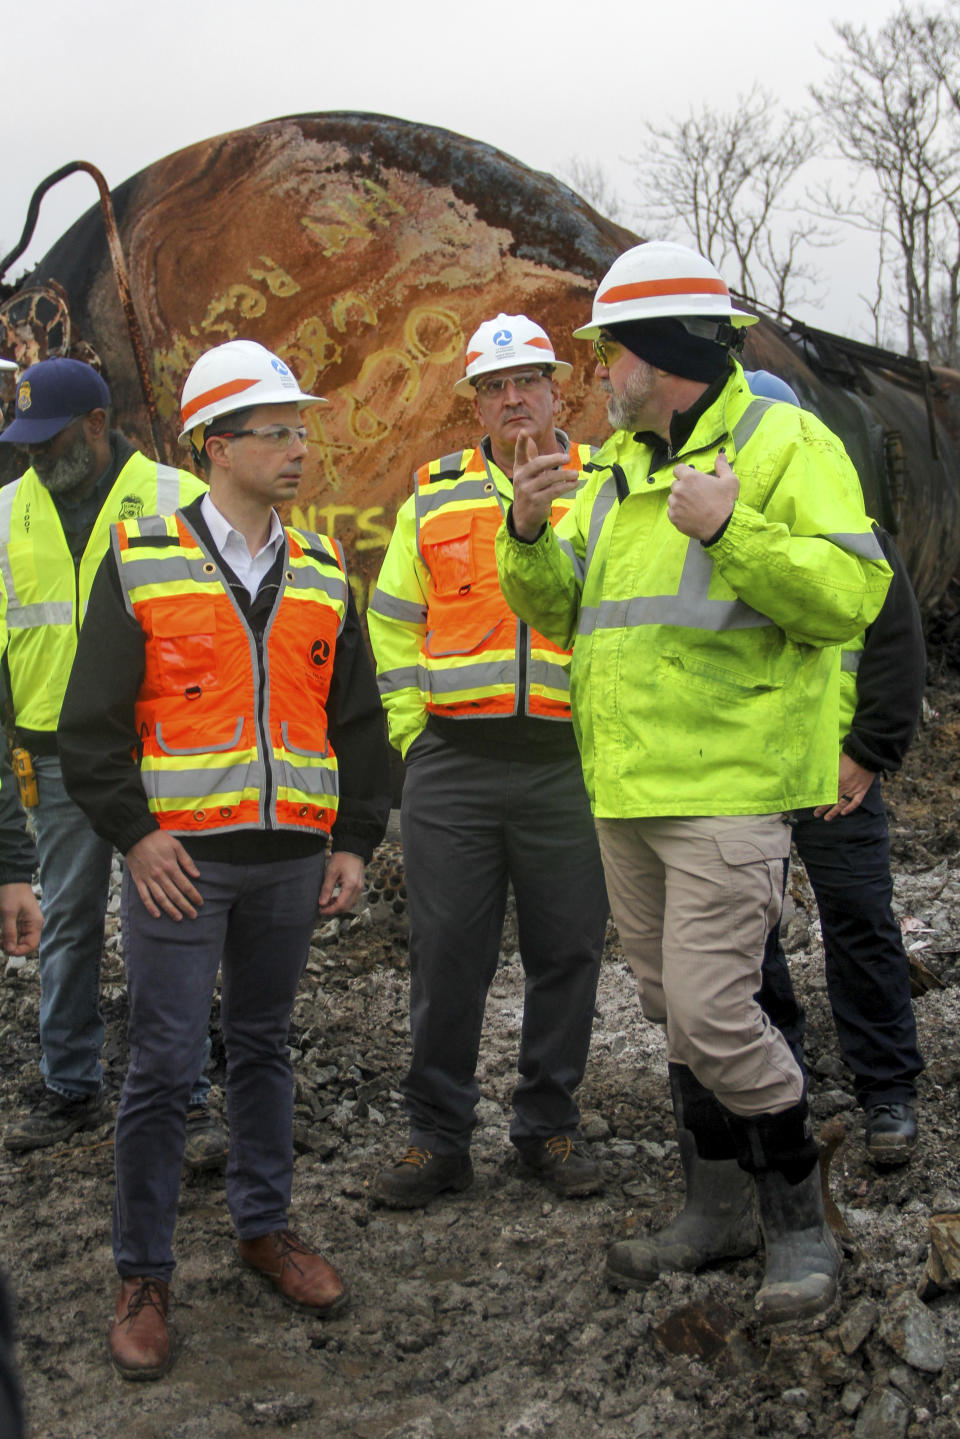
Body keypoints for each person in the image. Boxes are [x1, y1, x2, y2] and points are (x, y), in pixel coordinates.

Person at [497, 242, 892, 1324]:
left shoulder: (782, 443)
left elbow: (852, 591)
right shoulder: (619, 468)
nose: (597, 374)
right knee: (674, 1009)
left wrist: (733, 528)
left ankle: (800, 1225)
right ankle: (714, 1210)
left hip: (729, 783)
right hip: (627, 789)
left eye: (609, 352)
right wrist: (527, 529)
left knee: (719, 1013)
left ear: (663, 352)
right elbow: (560, 610)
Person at [58, 338, 391, 1380]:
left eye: (301, 428)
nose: (299, 447)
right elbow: (89, 727)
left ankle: (263, 1225)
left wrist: (353, 839)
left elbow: (361, 721)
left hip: (293, 859)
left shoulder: (328, 568)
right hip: (180, 864)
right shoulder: (144, 558)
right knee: (160, 1064)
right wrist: (137, 833)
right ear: (216, 445)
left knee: (262, 1045)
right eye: (275, 430)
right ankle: (143, 1270)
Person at [368, 314, 609, 1207]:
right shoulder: (430, 496)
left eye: (529, 382)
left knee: (568, 951)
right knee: (446, 956)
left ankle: (547, 1124)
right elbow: (391, 620)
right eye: (495, 386)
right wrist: (410, 733)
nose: (513, 399)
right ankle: (437, 1136)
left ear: (559, 392)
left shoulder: (603, 493)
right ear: (474, 400)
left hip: (564, 764)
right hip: (454, 764)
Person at [0, 358, 226, 1165]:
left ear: (97, 424)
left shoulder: (178, 498)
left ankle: (191, 1094)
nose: (34, 458)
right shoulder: (6, 515)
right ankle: (68, 1081)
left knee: (173, 920)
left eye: (49, 439)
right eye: (22, 442)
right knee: (68, 922)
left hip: (160, 758)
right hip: (57, 765)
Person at [758, 526, 926, 1165]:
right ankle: (775, 1076)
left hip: (835, 774)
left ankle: (887, 1087)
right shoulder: (716, 522)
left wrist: (866, 753)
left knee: (859, 920)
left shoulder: (857, 530)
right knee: (750, 929)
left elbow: (896, 649)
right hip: (739, 772)